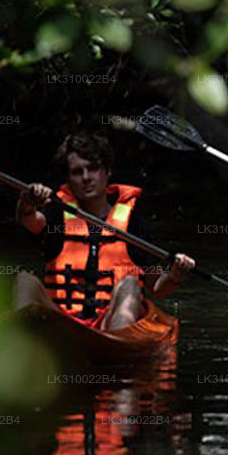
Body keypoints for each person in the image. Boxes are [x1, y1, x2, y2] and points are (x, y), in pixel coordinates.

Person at [13, 131, 194, 329]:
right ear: (69, 178)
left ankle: (117, 346)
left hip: (110, 325)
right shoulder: (56, 215)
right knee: (25, 280)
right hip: (63, 324)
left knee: (130, 285)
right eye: (77, 171)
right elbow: (28, 218)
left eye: (93, 169)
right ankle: (22, 343)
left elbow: (156, 287)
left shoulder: (131, 224)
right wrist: (27, 202)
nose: (86, 177)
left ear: (107, 171)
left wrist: (175, 276)